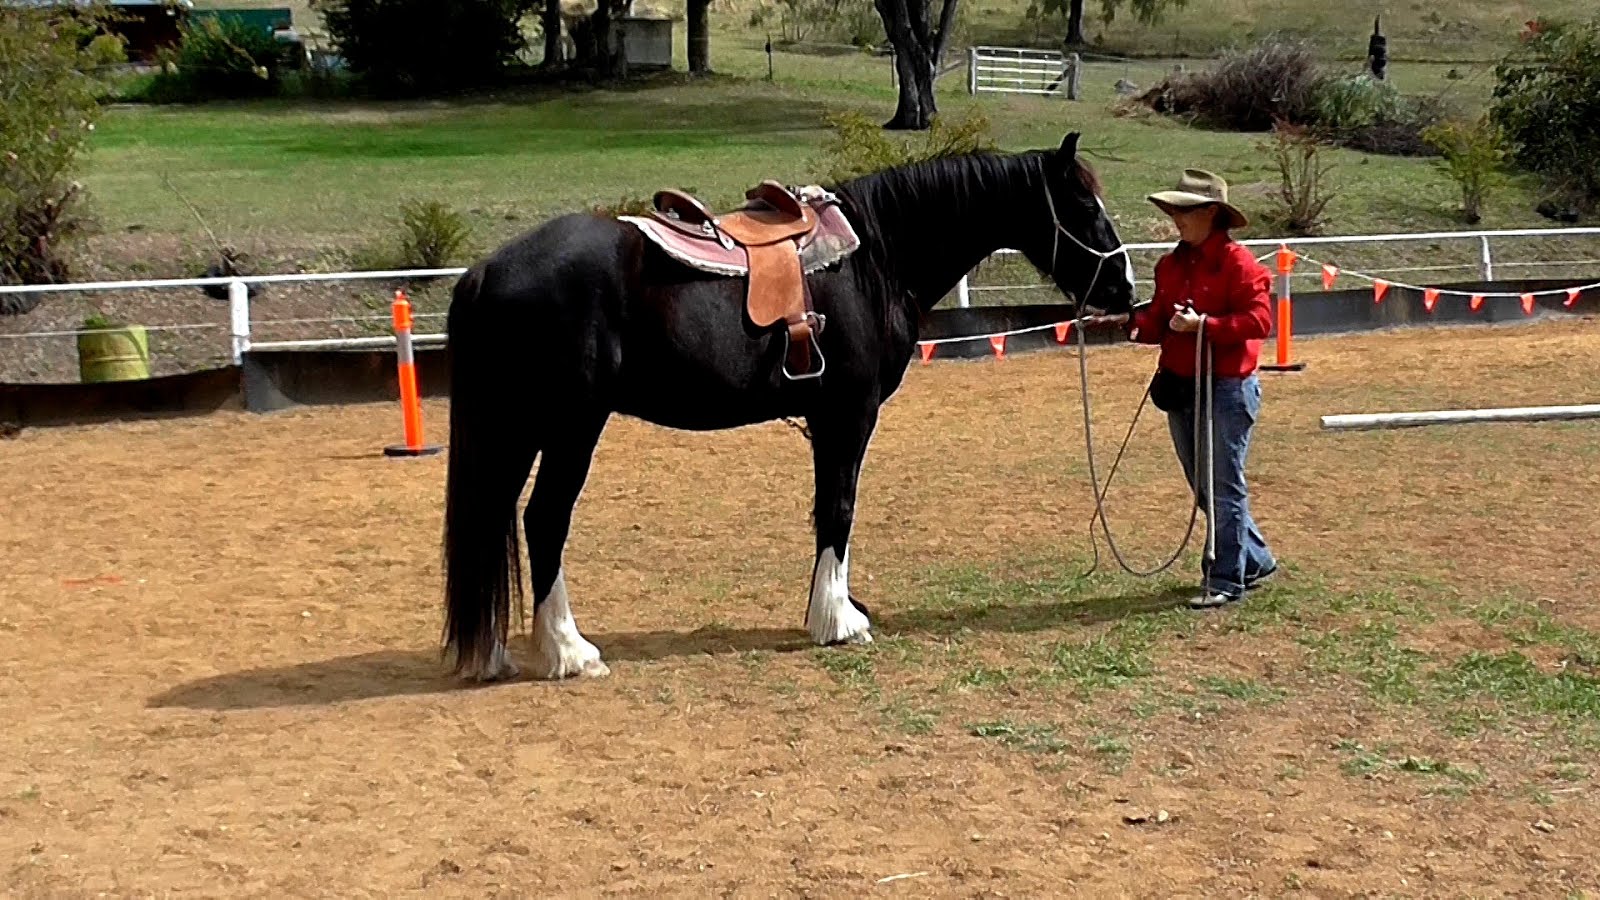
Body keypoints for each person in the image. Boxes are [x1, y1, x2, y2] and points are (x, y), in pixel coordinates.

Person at [1082, 169, 1278, 609]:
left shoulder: (1240, 265)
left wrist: (1205, 326)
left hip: (1226, 387)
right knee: (1204, 484)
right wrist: (1124, 323)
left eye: (1183, 211)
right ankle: (1256, 558)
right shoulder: (1170, 265)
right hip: (1180, 385)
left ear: (1212, 214)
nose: (1175, 219)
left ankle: (1226, 578)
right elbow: (1157, 320)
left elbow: (1260, 322)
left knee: (1223, 483)